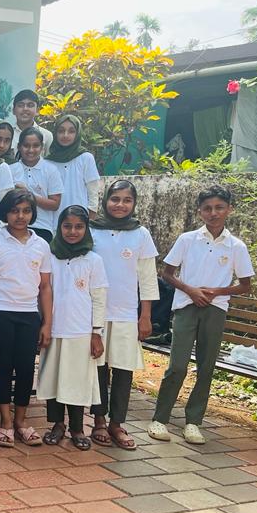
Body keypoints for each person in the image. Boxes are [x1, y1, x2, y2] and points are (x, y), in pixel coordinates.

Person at [150, 185, 254, 445]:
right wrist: (191, 290)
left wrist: (218, 291)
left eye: (219, 207)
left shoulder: (236, 246)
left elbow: (245, 284)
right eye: (207, 208)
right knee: (177, 366)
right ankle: (160, 419)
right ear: (200, 212)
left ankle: (193, 422)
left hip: (215, 310)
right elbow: (167, 273)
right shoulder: (187, 240)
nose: (213, 213)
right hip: (186, 307)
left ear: (229, 209)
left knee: (206, 367)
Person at [0, 188, 52, 448]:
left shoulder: (41, 245)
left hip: (29, 315)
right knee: (4, 367)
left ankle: (21, 421)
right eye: (14, 211)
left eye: (26, 211)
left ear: (33, 214)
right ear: (4, 213)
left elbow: (45, 287)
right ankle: (6, 422)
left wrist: (47, 323)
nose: (20, 216)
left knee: (25, 369)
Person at [89, 180, 159, 449]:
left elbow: (148, 279)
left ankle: (117, 423)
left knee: (123, 369)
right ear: (105, 200)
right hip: (95, 312)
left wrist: (145, 315)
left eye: (127, 200)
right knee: (97, 367)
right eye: (115, 199)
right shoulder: (92, 231)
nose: (120, 205)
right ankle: (98, 420)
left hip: (127, 313)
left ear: (134, 203)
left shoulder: (141, 234)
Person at [39, 205, 108, 451]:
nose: (72, 231)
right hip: (54, 329)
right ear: (59, 227)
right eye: (67, 226)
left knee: (77, 382)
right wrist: (43, 325)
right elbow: (42, 291)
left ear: (86, 229)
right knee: (54, 379)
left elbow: (99, 298)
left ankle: (77, 428)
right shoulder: (49, 257)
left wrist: (96, 333)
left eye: (79, 226)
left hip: (81, 332)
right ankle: (57, 424)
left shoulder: (93, 260)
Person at [9, 127, 63, 242]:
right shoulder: (10, 169)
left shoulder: (51, 170)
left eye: (35, 146)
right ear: (19, 146)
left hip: (42, 228)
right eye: (26, 145)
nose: (31, 150)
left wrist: (28, 194)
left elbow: (55, 204)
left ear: (42, 147)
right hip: (14, 226)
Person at [47, 114, 101, 214]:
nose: (65, 135)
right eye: (61, 131)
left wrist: (91, 214)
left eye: (71, 131)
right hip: (52, 217)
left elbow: (93, 191)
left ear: (77, 134)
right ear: (55, 133)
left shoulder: (85, 158)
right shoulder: (48, 162)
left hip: (79, 217)